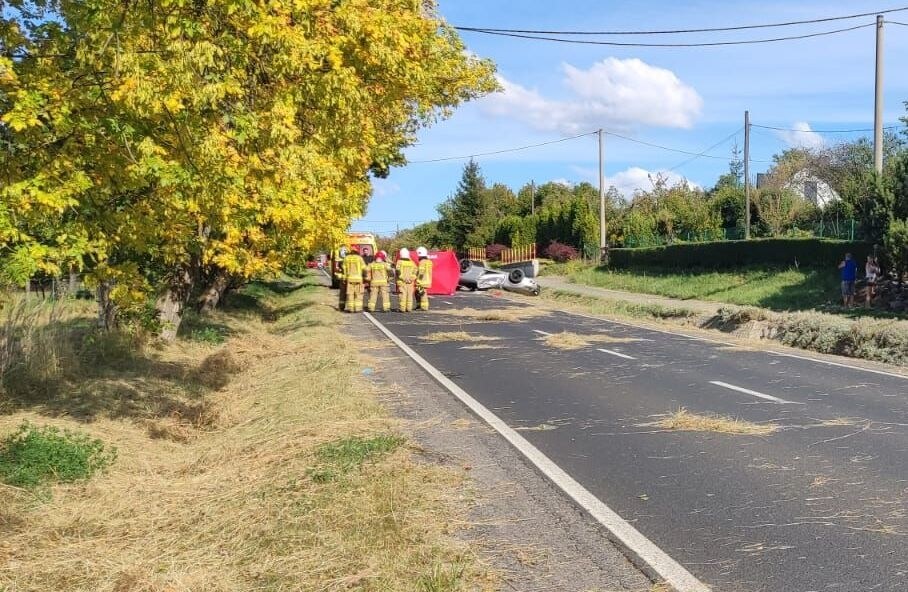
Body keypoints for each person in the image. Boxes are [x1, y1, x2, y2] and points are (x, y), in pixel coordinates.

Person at [342, 246, 366, 312]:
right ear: (357, 251)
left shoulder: (346, 258)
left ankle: (351, 309)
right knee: (358, 294)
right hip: (358, 279)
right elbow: (364, 268)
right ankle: (358, 309)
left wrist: (344, 278)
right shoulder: (359, 258)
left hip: (349, 279)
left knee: (350, 294)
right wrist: (365, 277)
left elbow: (344, 269)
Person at [395, 248, 417, 312]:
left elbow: (398, 272)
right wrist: (411, 279)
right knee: (410, 295)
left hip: (402, 282)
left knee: (402, 295)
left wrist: (404, 278)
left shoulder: (399, 262)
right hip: (410, 282)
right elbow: (416, 272)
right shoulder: (412, 263)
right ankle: (409, 308)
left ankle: (402, 308)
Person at [415, 246, 433, 311]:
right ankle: (419, 305)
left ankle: (424, 307)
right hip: (428, 280)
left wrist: (418, 280)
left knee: (422, 293)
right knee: (417, 292)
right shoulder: (429, 262)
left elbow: (421, 272)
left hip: (422, 281)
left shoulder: (422, 262)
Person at [335, 246, 348, 311]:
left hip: (347, 278)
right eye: (343, 251)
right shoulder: (339, 260)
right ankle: (342, 306)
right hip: (344, 279)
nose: (344, 252)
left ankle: (349, 307)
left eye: (345, 251)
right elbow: (337, 269)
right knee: (343, 293)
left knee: (347, 293)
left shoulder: (348, 259)